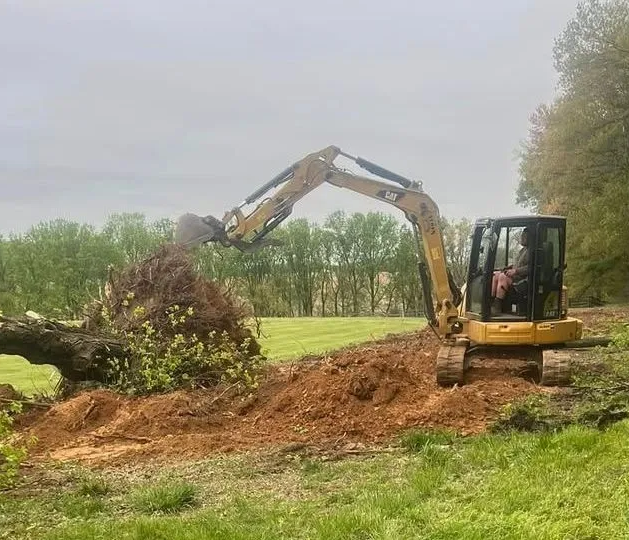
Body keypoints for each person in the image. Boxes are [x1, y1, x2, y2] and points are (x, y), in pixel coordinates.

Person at [491, 227, 529, 314]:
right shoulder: (523, 250)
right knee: (495, 275)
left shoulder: (532, 252)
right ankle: (491, 301)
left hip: (523, 279)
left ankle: (498, 305)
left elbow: (531, 267)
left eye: (524, 236)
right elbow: (518, 264)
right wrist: (508, 267)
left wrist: (516, 271)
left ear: (529, 237)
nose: (521, 238)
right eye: (522, 235)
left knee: (503, 277)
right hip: (516, 276)